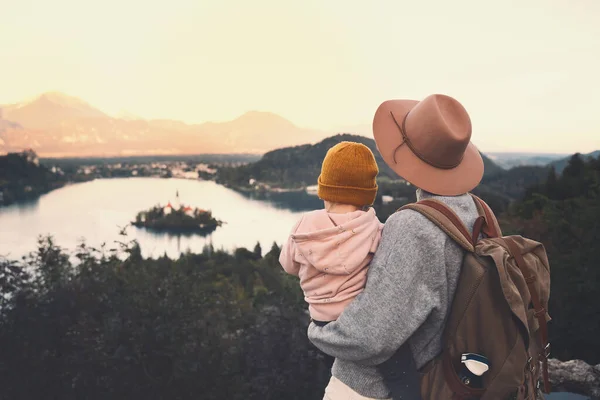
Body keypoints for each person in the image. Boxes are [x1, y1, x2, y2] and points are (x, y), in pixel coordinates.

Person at [307, 94, 485, 400]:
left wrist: (318, 330)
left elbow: (370, 336)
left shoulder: (414, 227)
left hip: (372, 388)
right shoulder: (476, 211)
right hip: (443, 372)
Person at [279, 141, 383, 325]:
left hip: (319, 318)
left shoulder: (304, 226)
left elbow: (289, 266)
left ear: (324, 189)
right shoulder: (374, 228)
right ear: (368, 193)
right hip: (357, 317)